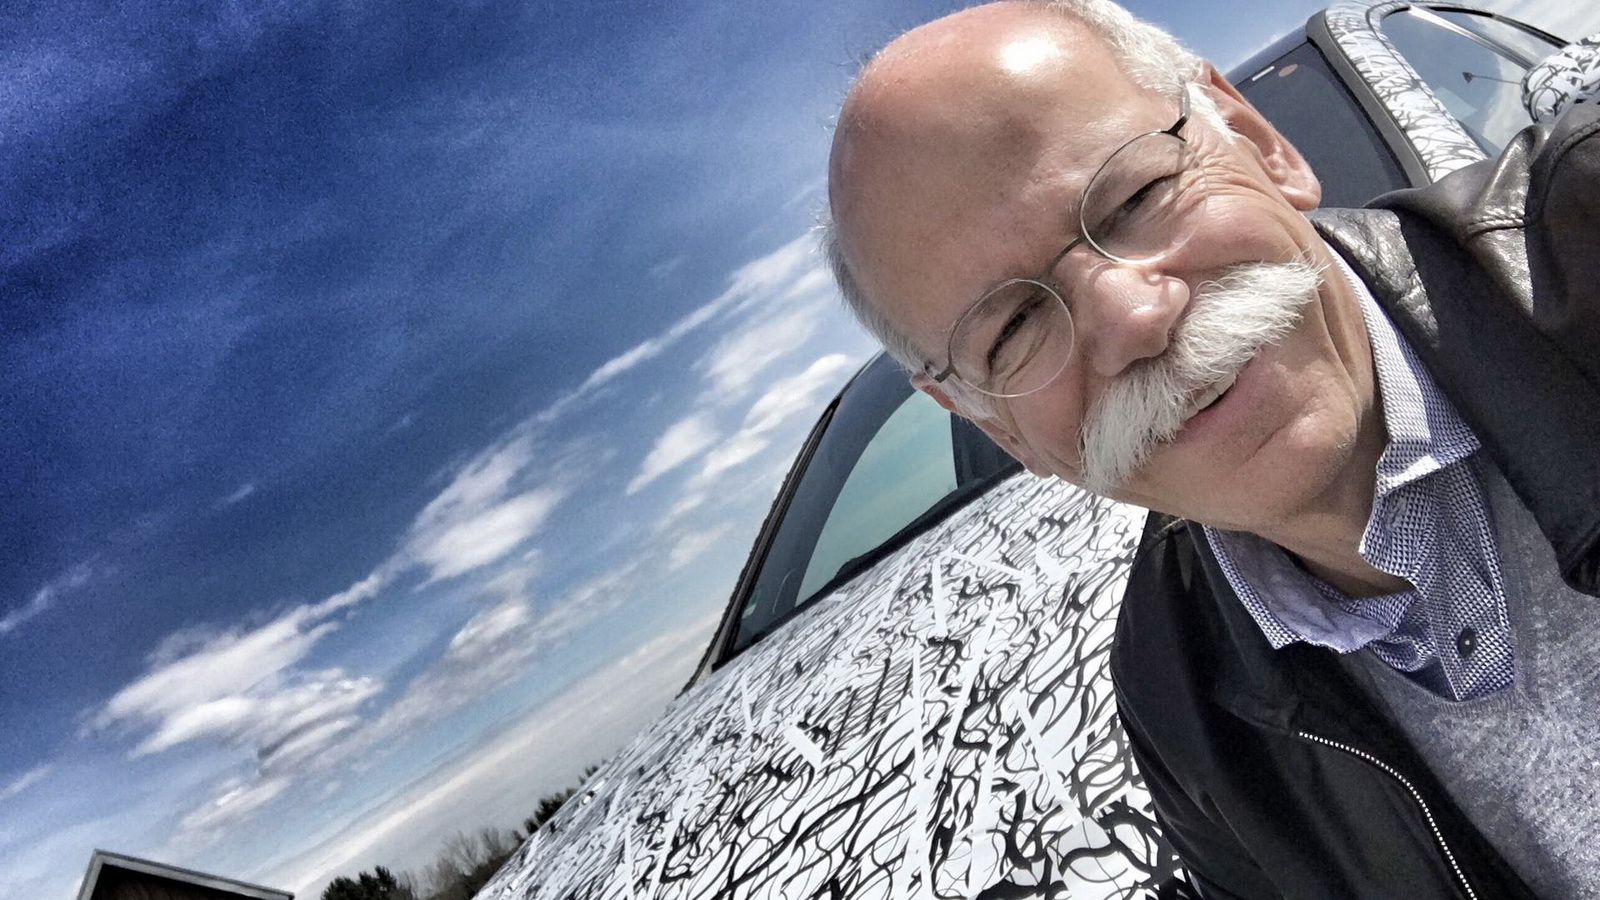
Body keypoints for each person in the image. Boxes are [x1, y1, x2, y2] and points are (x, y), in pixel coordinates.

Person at [822, 1, 1600, 897]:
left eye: (1136, 196)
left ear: (1258, 140)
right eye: (1014, 329)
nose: (1133, 319)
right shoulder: (1177, 704)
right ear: (996, 426)